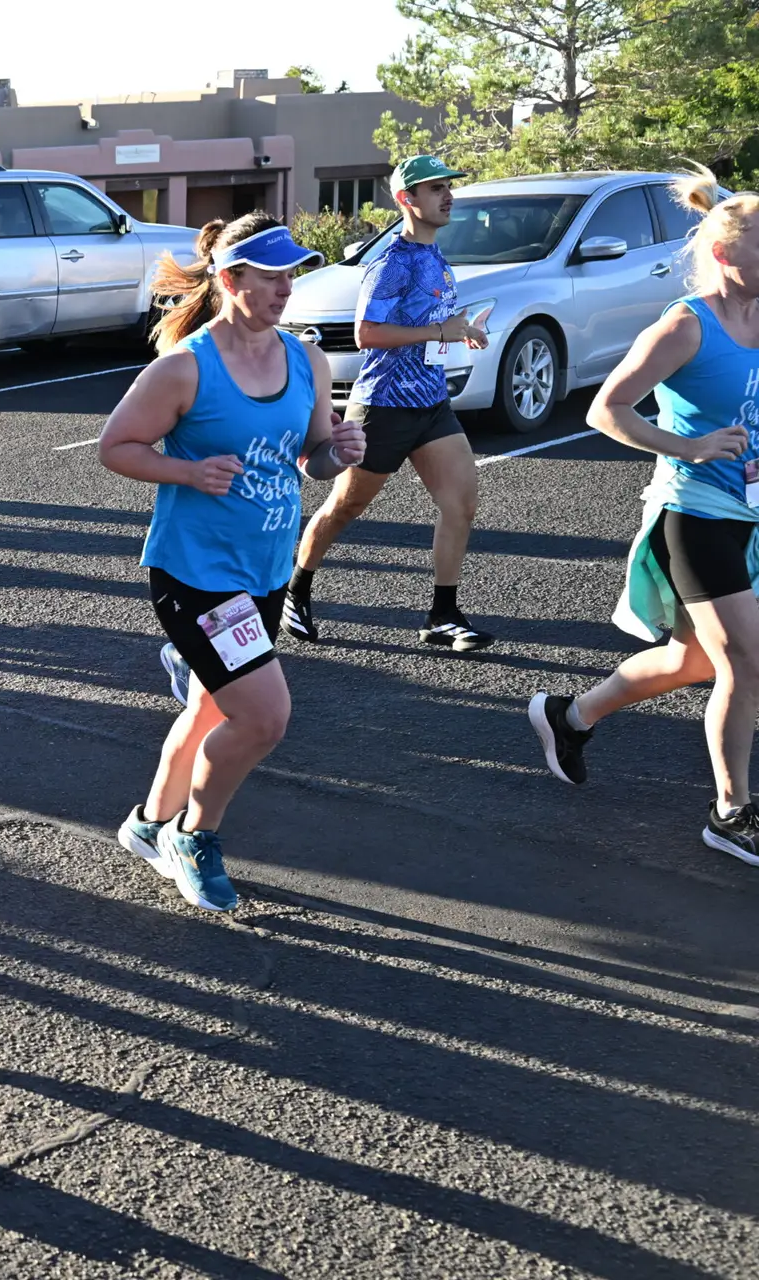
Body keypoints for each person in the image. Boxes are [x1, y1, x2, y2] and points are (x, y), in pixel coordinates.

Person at [98, 216, 365, 913]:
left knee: (213, 702)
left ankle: (148, 823)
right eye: (271, 275)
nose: (285, 287)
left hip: (266, 567)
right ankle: (195, 833)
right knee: (264, 717)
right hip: (196, 573)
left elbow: (311, 458)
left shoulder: (304, 358)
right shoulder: (186, 366)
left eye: (291, 274)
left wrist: (341, 449)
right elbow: (117, 446)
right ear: (231, 280)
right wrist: (185, 471)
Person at [529, 174, 759, 866]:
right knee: (747, 664)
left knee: (693, 661)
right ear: (726, 257)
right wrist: (688, 445)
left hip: (749, 511)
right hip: (693, 512)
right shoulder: (688, 325)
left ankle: (568, 717)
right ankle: (731, 812)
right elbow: (609, 410)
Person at [284, 154, 494, 652]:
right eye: (435, 188)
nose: (448, 196)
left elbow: (431, 325)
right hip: (383, 405)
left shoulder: (437, 258)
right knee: (345, 506)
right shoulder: (391, 263)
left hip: (431, 403)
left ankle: (442, 617)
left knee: (461, 505)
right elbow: (366, 333)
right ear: (407, 200)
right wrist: (441, 329)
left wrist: (463, 329)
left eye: (448, 186)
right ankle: (295, 590)